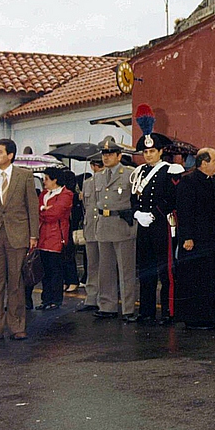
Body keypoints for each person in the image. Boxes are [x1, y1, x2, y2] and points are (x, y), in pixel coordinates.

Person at [0, 138, 40, 342]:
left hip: (18, 236)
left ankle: (17, 326)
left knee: (16, 283)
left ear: (10, 155)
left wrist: (33, 235)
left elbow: (32, 207)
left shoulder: (25, 176)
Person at [130, 120, 181, 325]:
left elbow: (173, 198)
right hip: (144, 226)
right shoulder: (139, 172)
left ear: (160, 152)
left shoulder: (170, 170)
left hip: (162, 225)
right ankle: (146, 311)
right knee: (145, 269)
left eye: (152, 151)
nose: (148, 155)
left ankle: (169, 311)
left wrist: (155, 213)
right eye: (145, 152)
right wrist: (137, 214)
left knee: (165, 270)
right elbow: (133, 198)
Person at [175, 148, 215, 329]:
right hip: (195, 242)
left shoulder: (210, 182)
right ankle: (195, 319)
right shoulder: (188, 182)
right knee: (195, 279)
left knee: (209, 278)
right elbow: (185, 212)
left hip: (210, 241)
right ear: (204, 163)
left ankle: (210, 315)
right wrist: (187, 237)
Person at [93, 136, 138, 322]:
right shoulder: (98, 176)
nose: (106, 157)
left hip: (121, 225)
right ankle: (107, 306)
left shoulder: (130, 173)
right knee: (105, 269)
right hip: (104, 225)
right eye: (104, 154)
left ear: (119, 156)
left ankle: (128, 309)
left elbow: (136, 200)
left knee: (126, 270)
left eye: (110, 153)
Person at [37, 167, 74, 311]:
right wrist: (44, 210)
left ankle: (55, 300)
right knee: (45, 271)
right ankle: (46, 299)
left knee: (56, 270)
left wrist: (43, 211)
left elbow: (55, 214)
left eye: (46, 179)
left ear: (55, 180)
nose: (44, 182)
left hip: (56, 237)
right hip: (43, 237)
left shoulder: (66, 194)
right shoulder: (44, 194)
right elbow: (38, 209)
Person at [76, 156, 104, 312]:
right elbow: (86, 208)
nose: (99, 169)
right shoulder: (86, 184)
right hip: (90, 228)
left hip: (104, 228)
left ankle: (104, 300)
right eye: (97, 166)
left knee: (105, 266)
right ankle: (91, 297)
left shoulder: (107, 182)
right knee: (92, 265)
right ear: (92, 167)